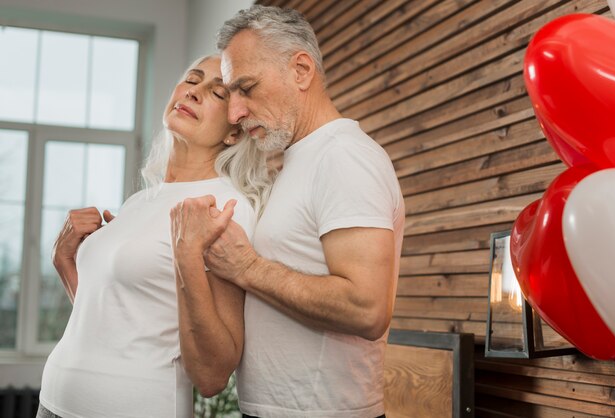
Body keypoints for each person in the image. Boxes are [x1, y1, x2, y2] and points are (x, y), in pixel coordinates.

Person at [184, 6, 406, 418]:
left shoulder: (345, 157)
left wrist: (246, 267)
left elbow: (367, 308)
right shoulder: (297, 159)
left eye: (246, 88)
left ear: (301, 70)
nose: (235, 112)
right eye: (230, 93)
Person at [36, 55, 273, 418]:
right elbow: (110, 317)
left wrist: (187, 255)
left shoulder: (225, 207)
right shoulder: (138, 201)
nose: (194, 92)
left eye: (217, 92)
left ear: (234, 132)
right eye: (192, 79)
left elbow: (212, 376)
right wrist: (63, 260)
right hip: (53, 401)